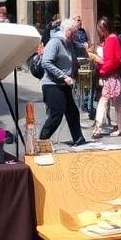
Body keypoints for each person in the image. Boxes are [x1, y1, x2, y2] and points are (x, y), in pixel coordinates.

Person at [39, 17, 87, 146]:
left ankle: (79, 139)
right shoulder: (55, 42)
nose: (75, 34)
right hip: (52, 84)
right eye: (73, 32)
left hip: (65, 85)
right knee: (57, 114)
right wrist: (63, 76)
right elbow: (46, 62)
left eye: (76, 31)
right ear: (66, 30)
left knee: (72, 112)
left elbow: (75, 59)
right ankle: (42, 140)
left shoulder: (70, 43)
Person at [88, 16, 121, 138]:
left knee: (104, 102)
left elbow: (112, 60)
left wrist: (101, 65)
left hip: (110, 76)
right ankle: (119, 127)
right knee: (116, 103)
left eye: (100, 28)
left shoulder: (110, 40)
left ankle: (99, 127)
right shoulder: (112, 39)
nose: (99, 31)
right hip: (114, 76)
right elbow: (116, 59)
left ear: (103, 28)